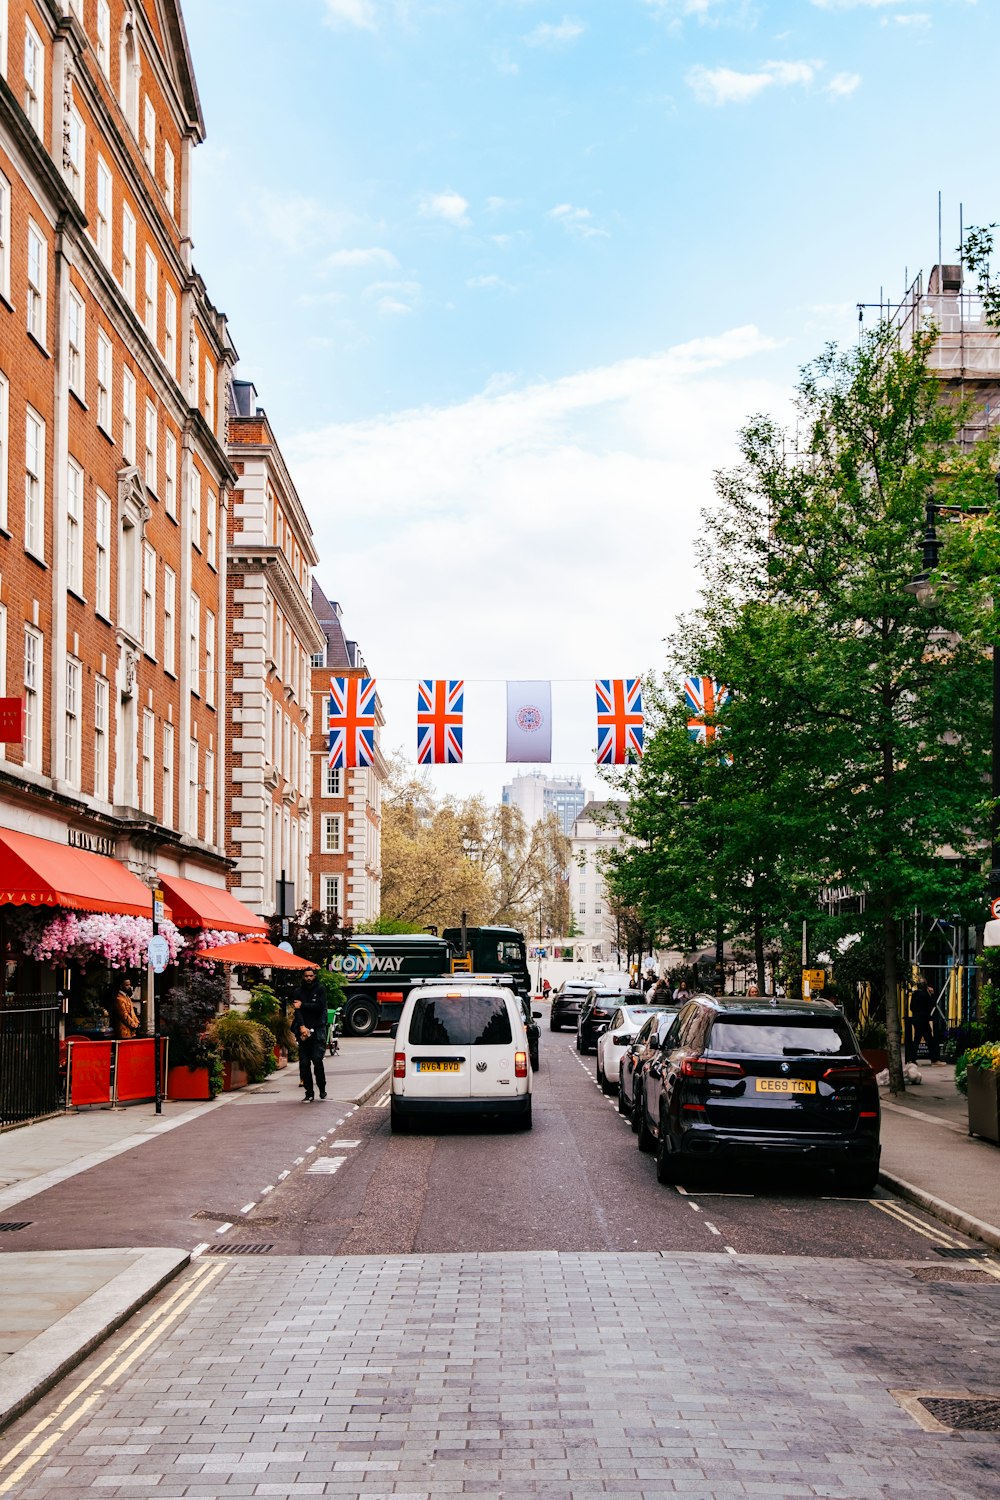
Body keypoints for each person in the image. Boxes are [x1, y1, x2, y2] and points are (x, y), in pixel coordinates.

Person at [291, 967, 328, 1101]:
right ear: (303, 977)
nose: (308, 978)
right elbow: (297, 1011)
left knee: (317, 1060)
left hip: (318, 1029)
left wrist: (303, 1005)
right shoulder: (297, 992)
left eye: (311, 976)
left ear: (314, 976)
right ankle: (309, 1092)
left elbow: (320, 1007)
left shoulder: (320, 990)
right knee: (304, 1063)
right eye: (306, 976)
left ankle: (322, 1088)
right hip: (303, 1030)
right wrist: (301, 1026)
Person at [908, 973, 939, 1065]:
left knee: (917, 1039)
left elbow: (911, 1008)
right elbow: (933, 1004)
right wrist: (932, 994)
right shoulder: (925, 995)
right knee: (929, 1040)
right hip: (924, 1020)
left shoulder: (914, 995)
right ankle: (934, 1059)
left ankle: (912, 1059)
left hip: (916, 1019)